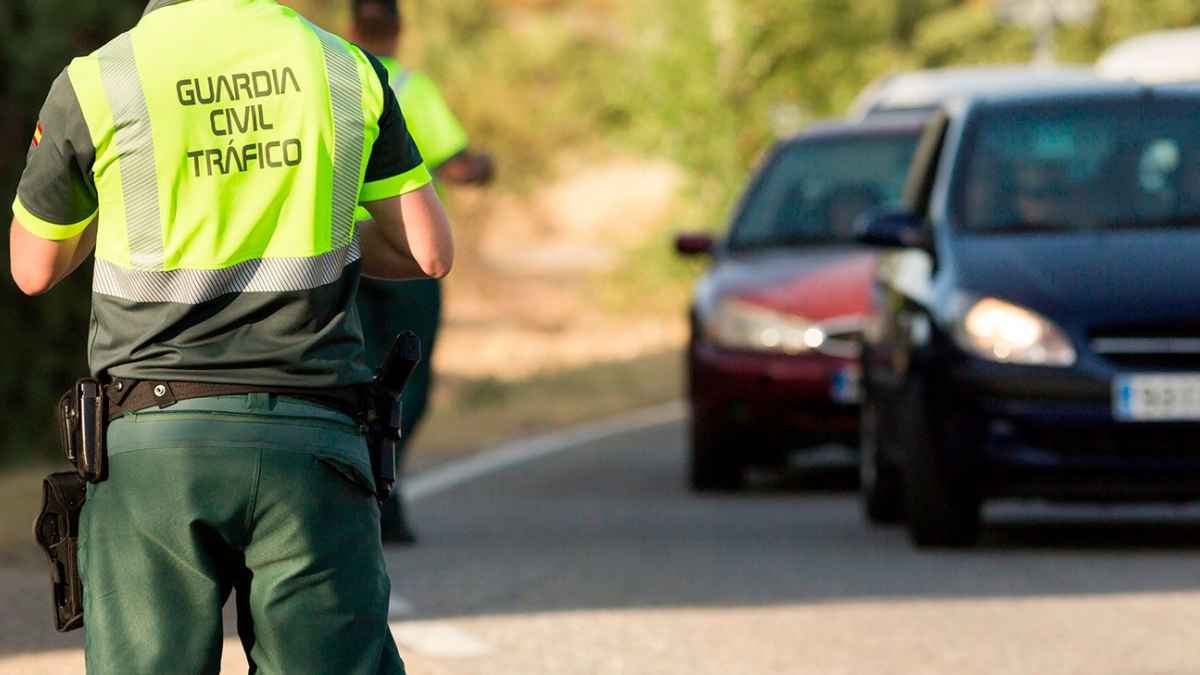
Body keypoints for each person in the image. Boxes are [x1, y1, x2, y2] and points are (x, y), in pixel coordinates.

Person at [9, 0, 453, 672]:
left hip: (154, 449)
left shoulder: (101, 79)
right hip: (312, 437)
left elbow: (33, 266)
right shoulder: (343, 68)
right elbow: (427, 251)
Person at [349, 0, 494, 544]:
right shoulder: (410, 86)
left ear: (350, 27)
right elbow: (456, 163)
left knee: (351, 367)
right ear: (400, 29)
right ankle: (385, 489)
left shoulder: (333, 79)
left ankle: (353, 485)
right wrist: (483, 168)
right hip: (405, 256)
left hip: (343, 255)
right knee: (411, 377)